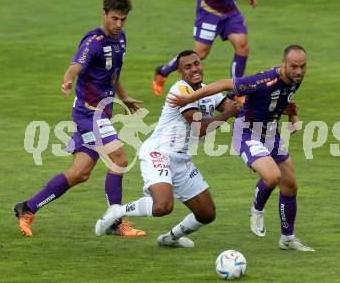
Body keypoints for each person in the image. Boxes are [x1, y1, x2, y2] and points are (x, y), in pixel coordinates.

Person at [13, 0, 145, 238]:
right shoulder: (93, 42)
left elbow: (113, 74)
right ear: (104, 14)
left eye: (123, 20)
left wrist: (124, 96)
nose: (118, 24)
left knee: (80, 173)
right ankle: (115, 222)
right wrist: (67, 80)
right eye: (114, 18)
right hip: (90, 113)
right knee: (119, 160)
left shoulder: (120, 39)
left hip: (103, 111)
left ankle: (27, 208)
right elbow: (75, 66)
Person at [167, 45, 315, 251]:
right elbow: (224, 84)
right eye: (294, 67)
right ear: (284, 64)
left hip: (271, 134)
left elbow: (284, 101)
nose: (299, 71)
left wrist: (292, 115)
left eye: (302, 66)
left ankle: (287, 238)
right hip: (248, 133)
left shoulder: (295, 79)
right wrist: (189, 98)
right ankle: (257, 210)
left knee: (290, 186)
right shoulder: (264, 81)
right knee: (272, 177)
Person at [95, 50, 240, 247]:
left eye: (197, 63)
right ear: (180, 72)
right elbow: (199, 128)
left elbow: (234, 108)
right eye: (188, 67)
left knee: (206, 214)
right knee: (162, 206)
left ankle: (170, 239)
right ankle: (117, 212)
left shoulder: (207, 92)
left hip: (181, 160)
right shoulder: (180, 91)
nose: (194, 69)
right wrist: (226, 114)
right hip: (158, 154)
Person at [152, 0, 257, 102]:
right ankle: (163, 72)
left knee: (242, 47)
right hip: (209, 12)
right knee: (200, 54)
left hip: (230, 12)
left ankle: (236, 90)